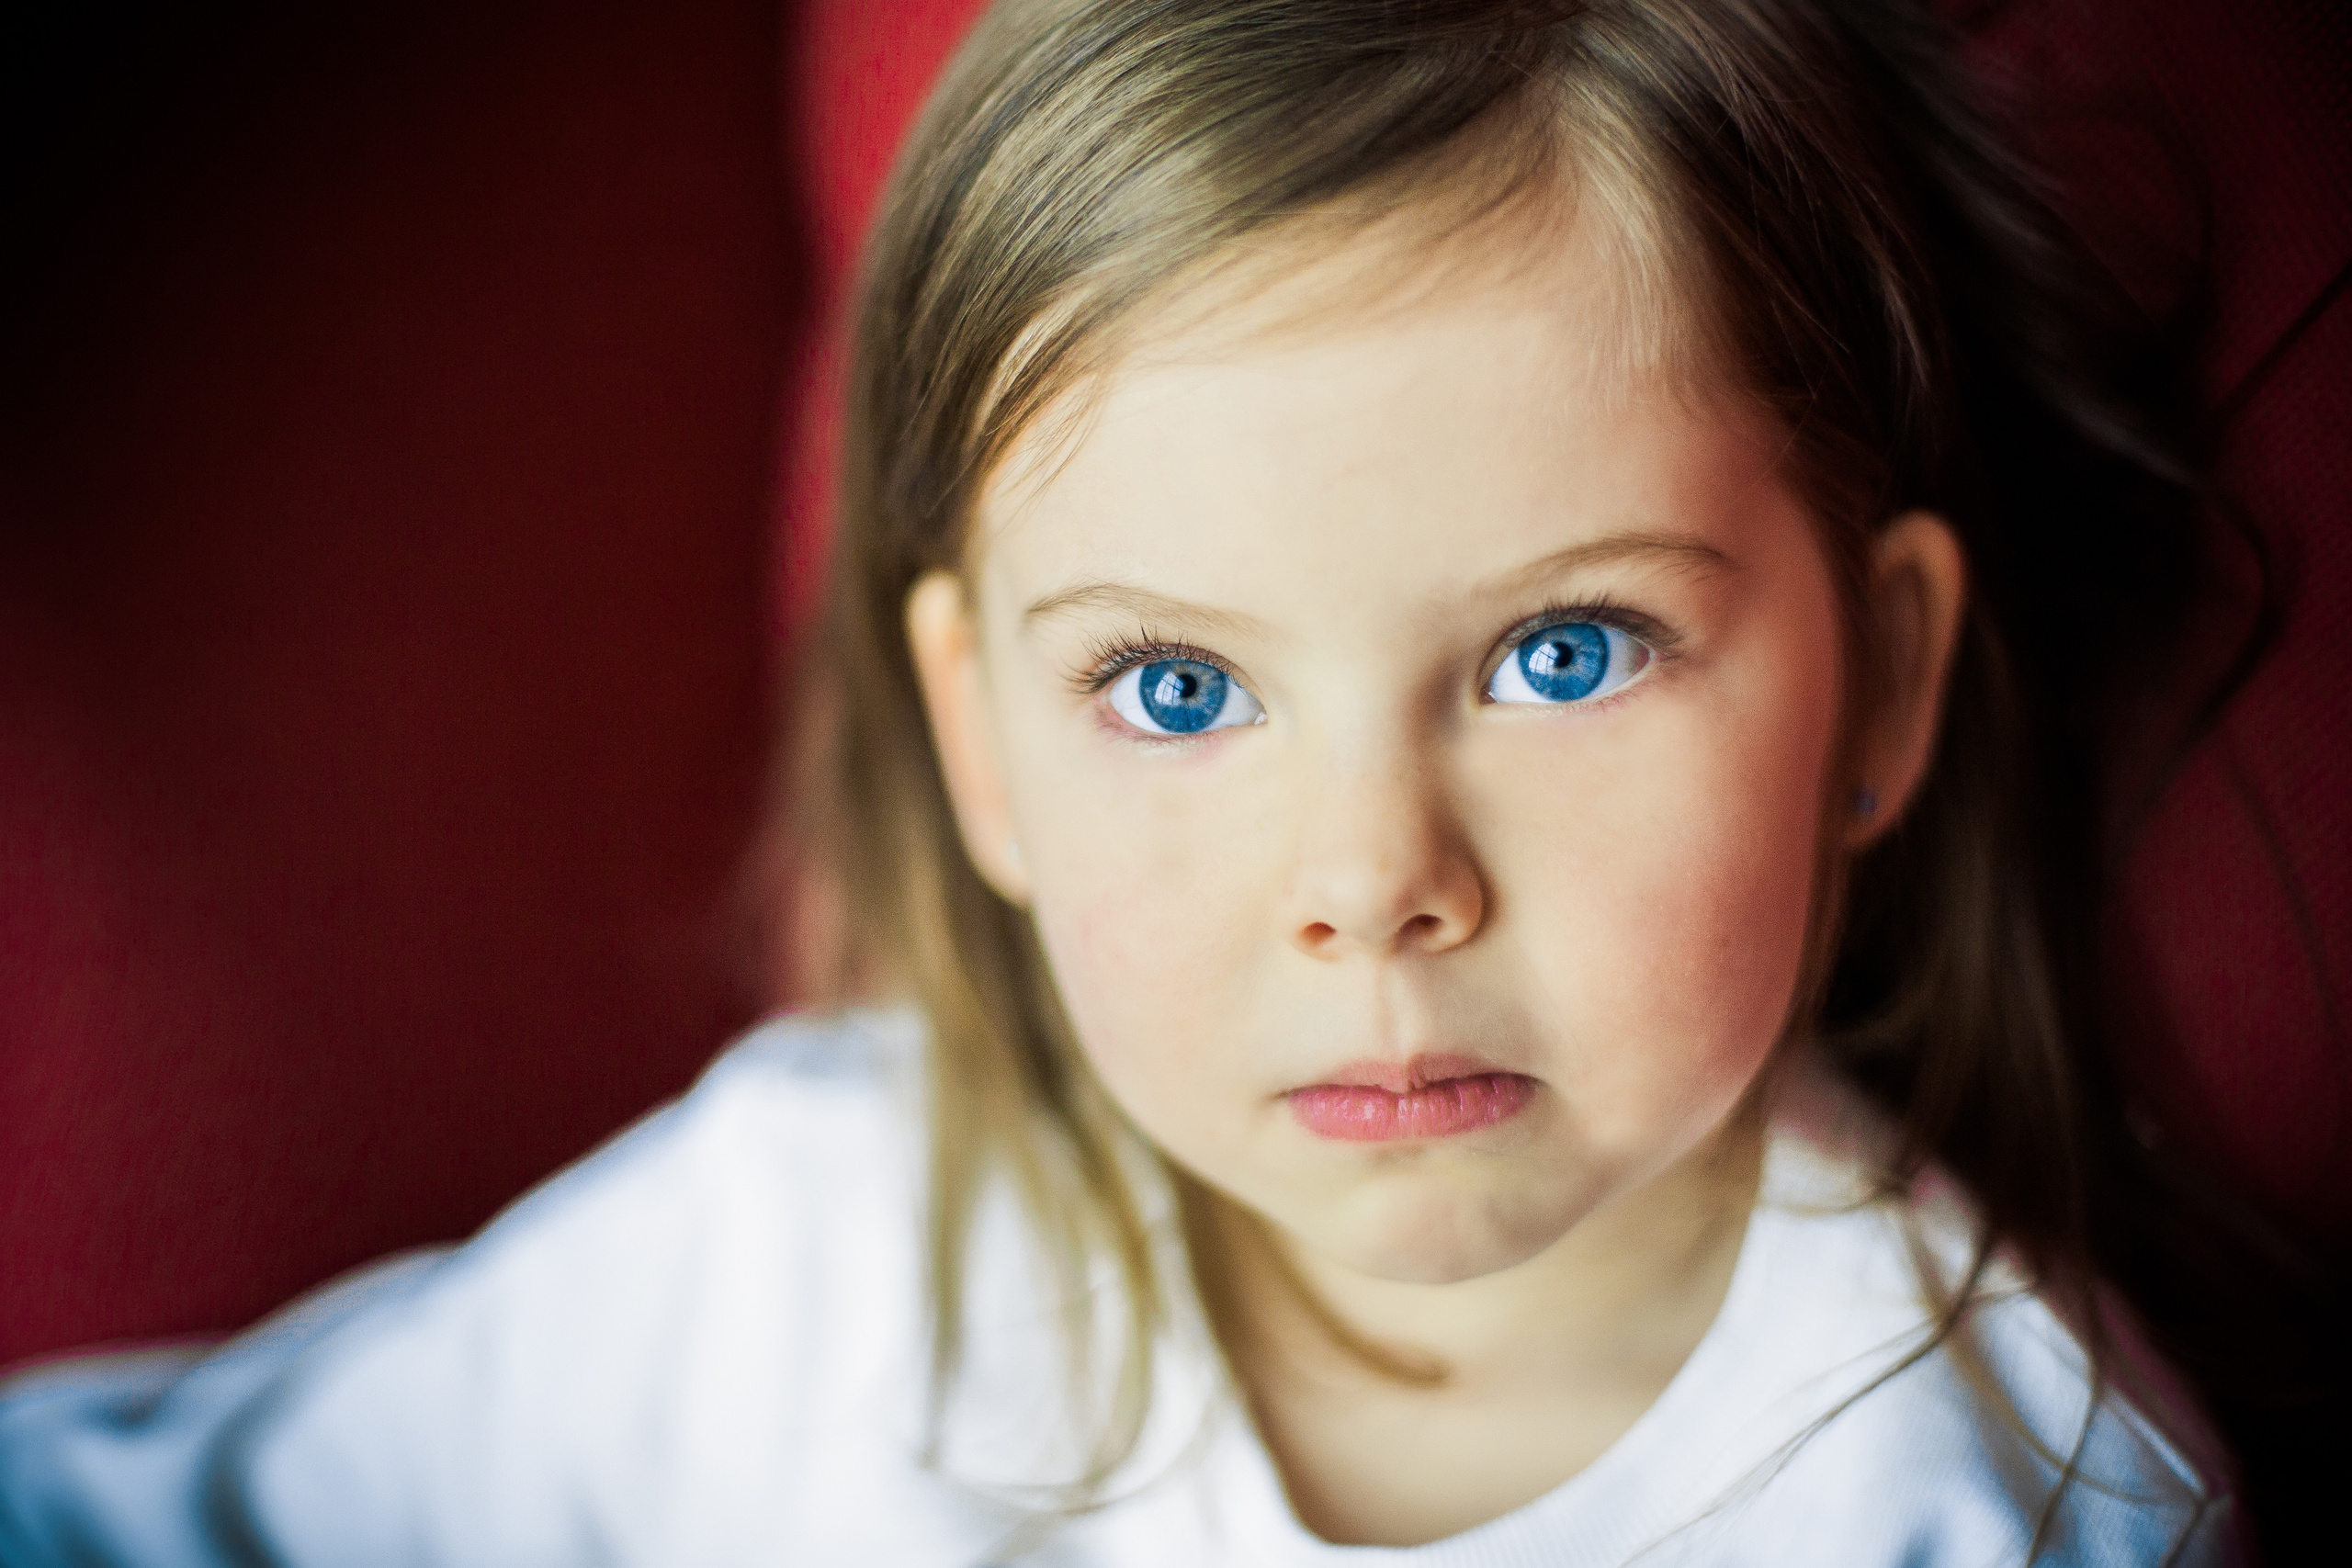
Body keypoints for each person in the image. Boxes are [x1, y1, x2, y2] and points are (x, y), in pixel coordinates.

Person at [0, 0, 2266, 1561]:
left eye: (1559, 652)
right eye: (1176, 691)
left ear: (1875, 681)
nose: (1372, 881)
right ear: (979, 739)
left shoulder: (1997, 1503)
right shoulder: (821, 1248)